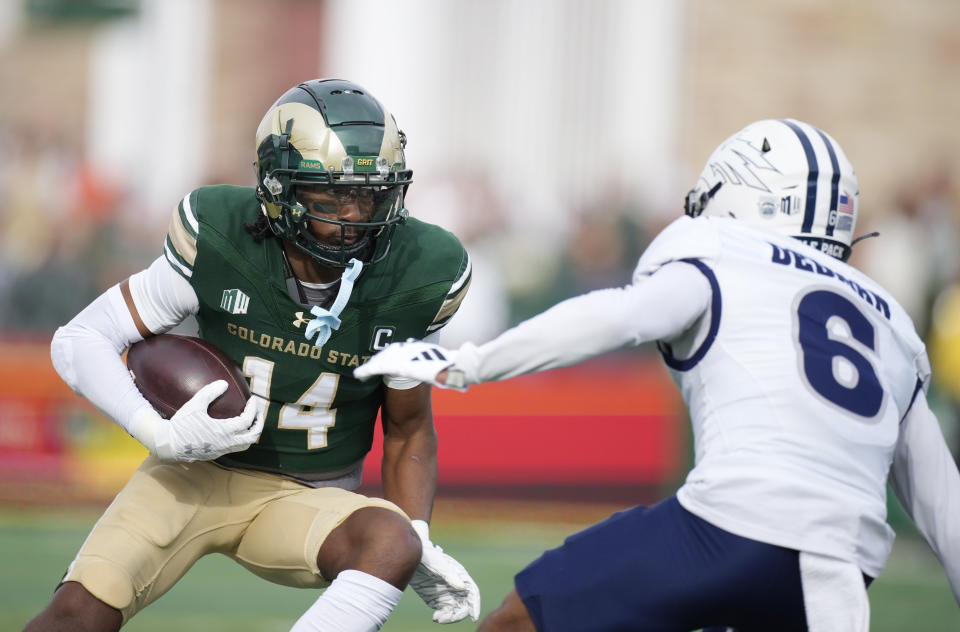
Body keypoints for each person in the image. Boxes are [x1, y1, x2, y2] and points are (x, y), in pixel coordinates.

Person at [355, 118, 960, 631]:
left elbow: (618, 315)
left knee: (525, 616)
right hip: (842, 573)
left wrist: (471, 362)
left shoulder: (724, 251)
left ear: (745, 195)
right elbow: (942, 504)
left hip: (728, 528)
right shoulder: (893, 325)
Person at [25, 78, 479, 632]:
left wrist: (419, 537)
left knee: (390, 541)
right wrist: (160, 433)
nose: (354, 215)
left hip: (306, 497)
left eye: (370, 194)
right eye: (331, 194)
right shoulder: (222, 235)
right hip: (190, 473)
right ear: (277, 191)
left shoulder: (418, 271)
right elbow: (79, 341)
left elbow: (408, 429)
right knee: (75, 614)